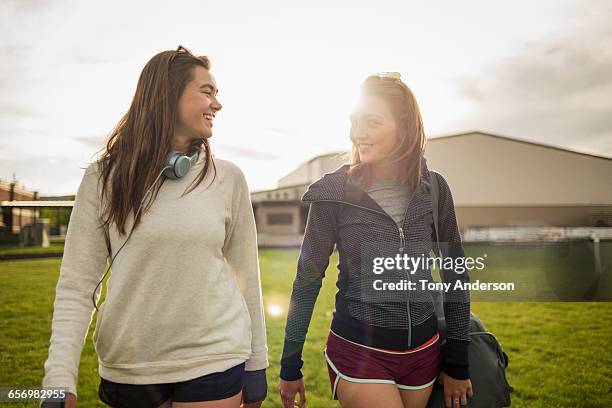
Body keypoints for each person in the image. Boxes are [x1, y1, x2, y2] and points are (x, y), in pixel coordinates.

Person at [41, 45, 268, 408]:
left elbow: (247, 275)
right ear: (167, 95)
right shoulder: (104, 178)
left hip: (214, 359)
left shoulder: (229, 178)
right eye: (206, 92)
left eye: (217, 94)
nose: (218, 104)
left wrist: (257, 363)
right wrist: (59, 377)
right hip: (129, 368)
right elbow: (77, 284)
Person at [278, 73, 473, 408]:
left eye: (372, 122)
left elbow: (455, 275)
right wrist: (290, 363)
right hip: (359, 351)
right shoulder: (333, 193)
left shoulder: (436, 189)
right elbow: (307, 280)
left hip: (423, 354)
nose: (358, 133)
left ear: (405, 126)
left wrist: (457, 361)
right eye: (354, 121)